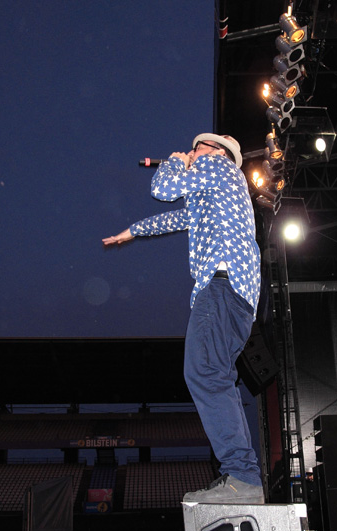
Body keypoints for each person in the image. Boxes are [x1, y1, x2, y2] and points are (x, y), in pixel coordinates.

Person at [102, 133, 263, 505]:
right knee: (217, 375)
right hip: (238, 293)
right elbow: (178, 217)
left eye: (199, 147)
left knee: (204, 373)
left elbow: (163, 188)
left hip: (221, 284)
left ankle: (242, 475)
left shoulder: (218, 166)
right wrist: (133, 231)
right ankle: (243, 476)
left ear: (218, 152)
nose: (193, 151)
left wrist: (176, 161)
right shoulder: (218, 188)